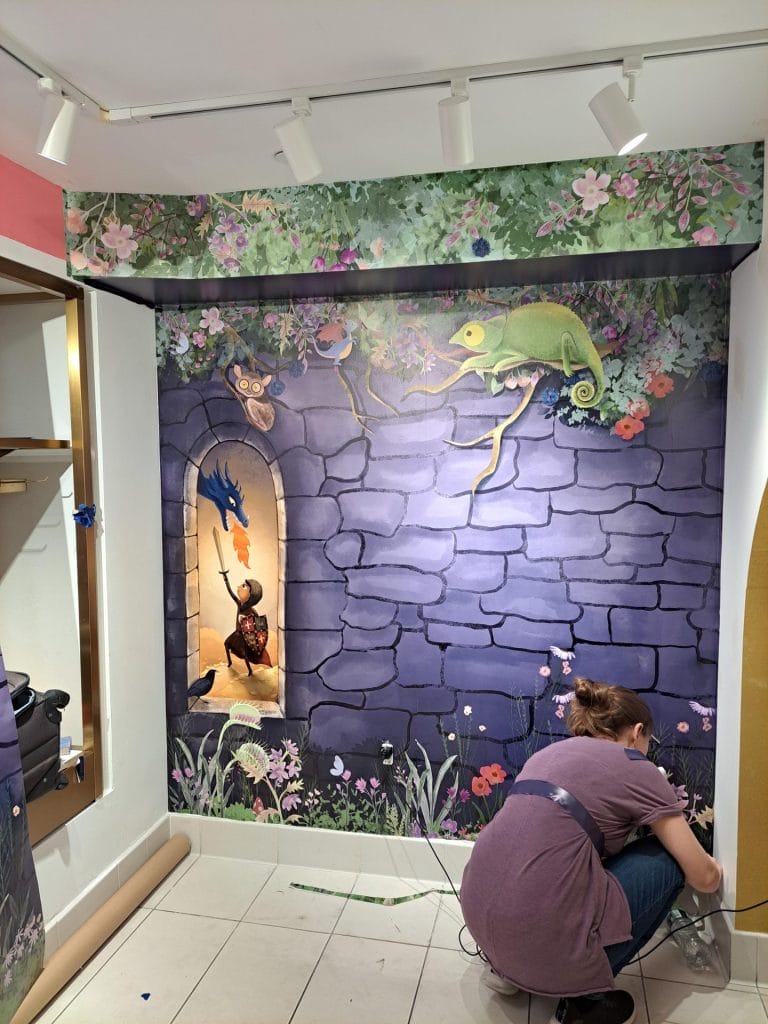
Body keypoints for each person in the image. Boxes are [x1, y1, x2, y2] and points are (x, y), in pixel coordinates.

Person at [459, 676, 722, 1024]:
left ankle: (506, 970)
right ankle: (586, 1000)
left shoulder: (546, 755)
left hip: (479, 920)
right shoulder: (635, 765)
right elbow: (703, 878)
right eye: (648, 742)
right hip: (539, 946)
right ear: (637, 732)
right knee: (667, 859)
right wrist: (718, 868)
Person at [219, 572, 272, 675]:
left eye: (244, 586)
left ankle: (250, 671)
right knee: (226, 643)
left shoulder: (252, 612)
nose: (239, 587)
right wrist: (226, 579)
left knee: (245, 654)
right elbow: (231, 593)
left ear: (250, 595)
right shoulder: (240, 604)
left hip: (245, 637)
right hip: (237, 634)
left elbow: (257, 627)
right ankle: (229, 663)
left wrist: (247, 620)